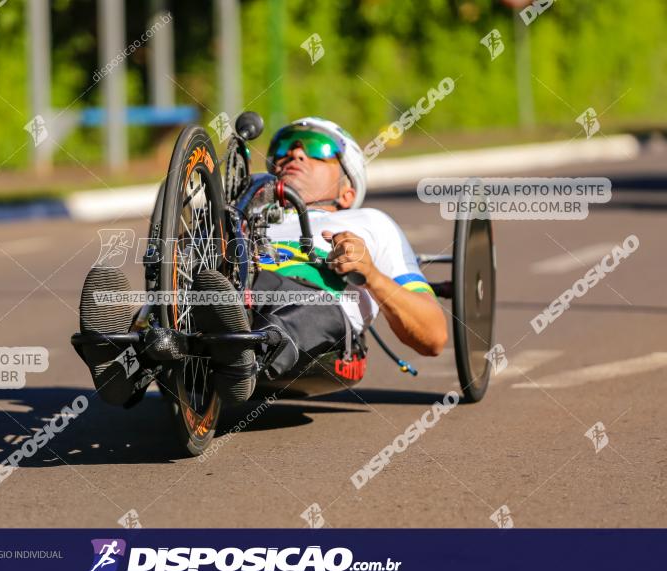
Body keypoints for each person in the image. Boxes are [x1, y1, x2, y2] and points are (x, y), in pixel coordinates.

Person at [78, 117, 447, 406]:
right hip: (232, 290)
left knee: (312, 305)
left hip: (317, 312)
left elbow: (433, 336)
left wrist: (371, 276)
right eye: (283, 147)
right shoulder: (235, 217)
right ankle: (126, 359)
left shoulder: (370, 222)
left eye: (317, 148)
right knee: (191, 284)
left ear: (348, 190)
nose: (294, 154)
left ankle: (244, 356)